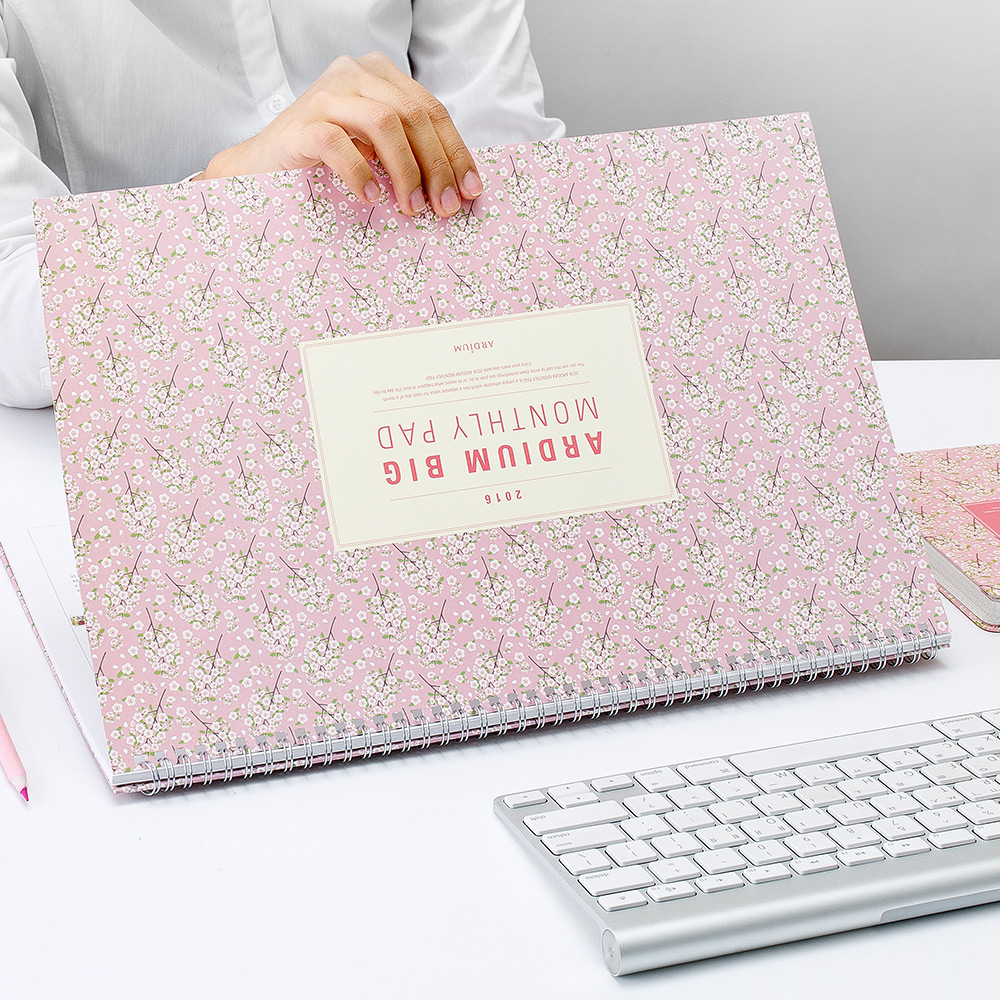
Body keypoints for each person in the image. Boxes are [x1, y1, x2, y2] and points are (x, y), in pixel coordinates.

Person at [0, 1, 564, 408]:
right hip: (171, 417)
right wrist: (226, 193)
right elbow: (14, 327)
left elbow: (512, 190)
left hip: (437, 380)